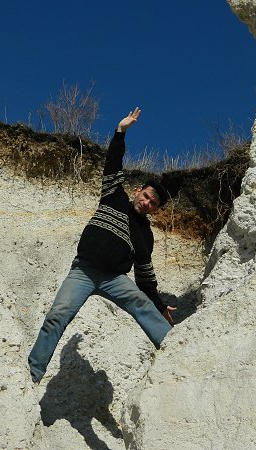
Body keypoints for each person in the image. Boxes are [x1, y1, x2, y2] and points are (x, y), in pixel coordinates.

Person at [28, 107, 176, 384]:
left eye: (153, 203)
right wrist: (121, 132)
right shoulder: (113, 196)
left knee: (142, 303)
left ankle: (176, 350)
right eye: (146, 196)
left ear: (156, 210)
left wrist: (159, 305)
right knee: (57, 315)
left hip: (114, 279)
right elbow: (113, 164)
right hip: (83, 271)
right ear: (137, 191)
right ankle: (32, 374)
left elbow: (145, 278)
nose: (147, 203)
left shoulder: (145, 235)